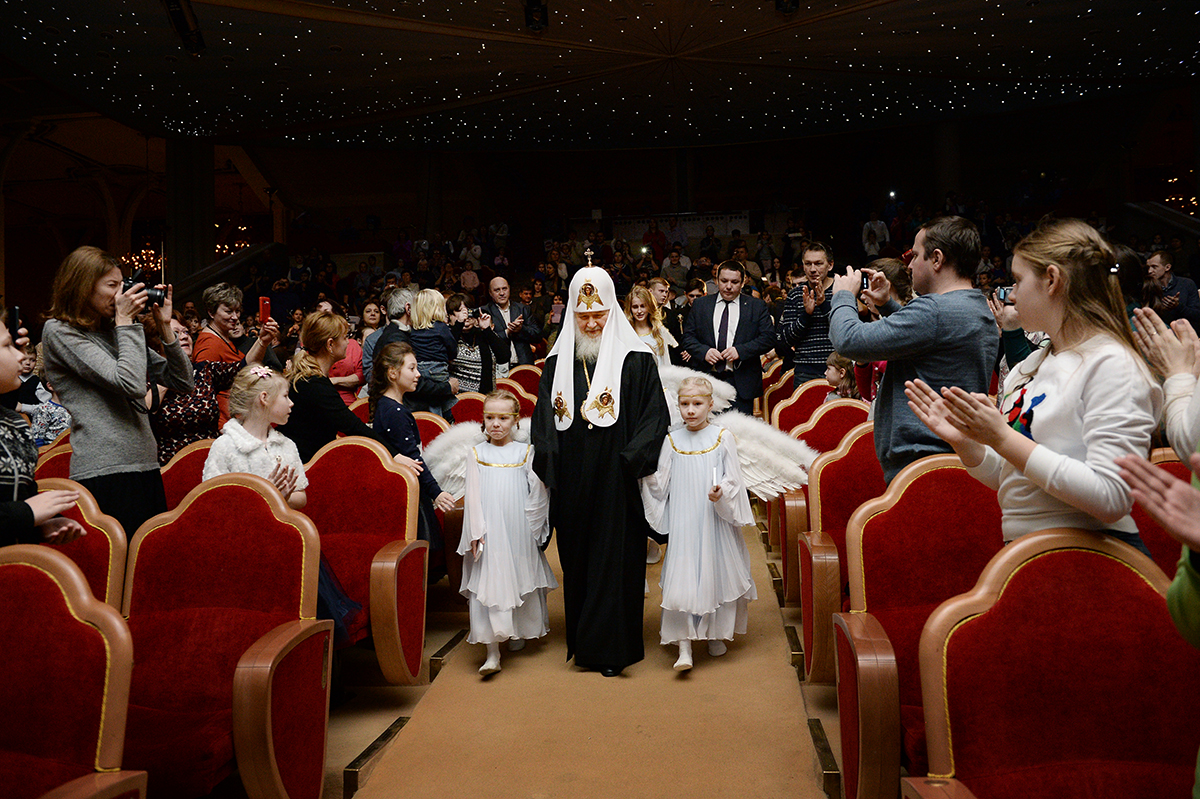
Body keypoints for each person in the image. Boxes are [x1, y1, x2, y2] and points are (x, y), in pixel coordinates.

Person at [905, 219, 1160, 552]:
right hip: (1028, 553)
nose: (1011, 294)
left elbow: (1111, 497)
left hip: (1094, 557)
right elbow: (1015, 481)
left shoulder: (1112, 363)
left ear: (1051, 280)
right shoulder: (1030, 365)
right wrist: (968, 443)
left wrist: (1001, 437)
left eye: (1018, 280)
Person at [531, 266, 670, 677]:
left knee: (615, 560)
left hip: (617, 477)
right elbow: (543, 421)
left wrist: (629, 461)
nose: (591, 324)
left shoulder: (637, 359)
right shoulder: (556, 363)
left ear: (613, 311)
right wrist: (551, 462)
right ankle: (584, 643)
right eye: (583, 316)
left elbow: (654, 418)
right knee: (577, 559)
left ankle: (612, 651)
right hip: (572, 478)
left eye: (599, 315)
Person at [203, 364, 365, 644]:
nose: (291, 403)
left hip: (285, 540)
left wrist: (283, 496)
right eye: (286, 397)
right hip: (241, 546)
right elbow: (211, 504)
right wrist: (265, 493)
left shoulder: (286, 445)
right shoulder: (226, 447)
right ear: (264, 399)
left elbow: (301, 497)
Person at [828, 216, 997, 483]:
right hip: (949, 457)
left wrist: (843, 296)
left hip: (921, 463)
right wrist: (887, 305)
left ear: (937, 259)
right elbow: (929, 338)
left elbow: (849, 341)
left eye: (915, 255)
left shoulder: (935, 310)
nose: (909, 265)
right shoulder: (975, 305)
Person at [42, 246, 194, 535]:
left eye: (122, 284)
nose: (121, 293)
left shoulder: (115, 331)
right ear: (84, 286)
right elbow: (131, 384)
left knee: (145, 558)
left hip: (145, 463)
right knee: (118, 558)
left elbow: (184, 381)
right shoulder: (60, 331)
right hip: (105, 469)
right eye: (112, 285)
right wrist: (126, 323)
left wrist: (165, 327)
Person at [640, 376, 755, 671]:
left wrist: (721, 493)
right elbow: (660, 483)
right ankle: (685, 646)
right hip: (684, 520)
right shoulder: (672, 440)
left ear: (710, 404)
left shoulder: (722, 437)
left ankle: (715, 633)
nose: (690, 410)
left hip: (714, 517)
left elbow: (733, 479)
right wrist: (642, 473)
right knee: (685, 576)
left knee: (715, 572)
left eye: (697, 404)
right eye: (684, 404)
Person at [458, 390, 557, 675]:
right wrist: (475, 532)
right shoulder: (477, 453)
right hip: (489, 530)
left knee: (518, 576)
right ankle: (492, 652)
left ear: (515, 420)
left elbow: (537, 493)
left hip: (518, 526)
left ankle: (517, 629)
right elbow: (472, 497)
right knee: (491, 582)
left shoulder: (525, 452)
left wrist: (535, 527)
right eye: (490, 417)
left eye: (503, 418)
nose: (496, 424)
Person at [0, 311, 85, 548]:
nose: (21, 356)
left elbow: (19, 497)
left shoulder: (15, 423)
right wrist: (26, 514)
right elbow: (20, 510)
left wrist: (38, 525)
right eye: (7, 346)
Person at [149, 313, 278, 465]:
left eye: (185, 332)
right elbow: (144, 412)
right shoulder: (148, 377)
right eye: (175, 333)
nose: (184, 336)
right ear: (157, 343)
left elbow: (243, 367)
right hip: (172, 467)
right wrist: (171, 374)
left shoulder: (204, 370)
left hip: (214, 461)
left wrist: (262, 341)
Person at [277, 311, 395, 462]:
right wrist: (395, 456)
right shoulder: (315, 384)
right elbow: (352, 427)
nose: (348, 343)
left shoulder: (309, 378)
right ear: (330, 344)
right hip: (306, 467)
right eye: (345, 337)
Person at [369, 342, 456, 545]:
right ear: (392, 373)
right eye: (412, 368)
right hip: (408, 492)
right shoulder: (395, 412)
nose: (418, 374)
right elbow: (413, 458)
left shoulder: (387, 405)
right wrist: (436, 492)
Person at [681, 261, 776, 415]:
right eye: (724, 281)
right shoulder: (701, 305)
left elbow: (768, 338)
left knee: (739, 429)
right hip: (707, 380)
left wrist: (740, 351)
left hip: (741, 382)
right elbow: (688, 338)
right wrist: (705, 352)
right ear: (717, 280)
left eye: (734, 282)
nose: (728, 286)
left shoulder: (756, 306)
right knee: (707, 428)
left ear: (743, 282)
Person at [777, 242, 837, 386]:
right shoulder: (795, 295)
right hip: (805, 371)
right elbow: (786, 339)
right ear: (803, 266)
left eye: (818, 264)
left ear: (830, 265)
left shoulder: (841, 290)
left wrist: (824, 306)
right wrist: (806, 315)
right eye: (808, 264)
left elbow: (847, 331)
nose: (813, 269)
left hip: (838, 369)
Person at [192, 282, 246, 426]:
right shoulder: (209, 344)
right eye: (228, 311)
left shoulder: (223, 337)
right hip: (224, 424)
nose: (235, 317)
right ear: (211, 313)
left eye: (237, 311)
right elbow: (204, 392)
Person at [409, 289, 458, 420]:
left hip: (418, 370)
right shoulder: (441, 327)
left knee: (429, 400)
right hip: (438, 369)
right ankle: (440, 425)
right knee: (440, 402)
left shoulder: (411, 330)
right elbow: (453, 350)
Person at [447, 293, 507, 394]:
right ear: (449, 316)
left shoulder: (483, 334)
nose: (466, 315)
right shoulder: (447, 335)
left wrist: (487, 330)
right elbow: (446, 353)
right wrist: (458, 325)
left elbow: (504, 357)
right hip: (458, 398)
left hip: (486, 397)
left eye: (468, 310)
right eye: (459, 311)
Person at [483, 276, 541, 376]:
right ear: (490, 293)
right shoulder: (484, 311)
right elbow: (484, 340)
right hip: (498, 368)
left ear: (509, 289)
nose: (502, 293)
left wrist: (521, 329)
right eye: (497, 290)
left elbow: (538, 335)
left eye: (504, 289)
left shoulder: (522, 309)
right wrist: (507, 332)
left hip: (523, 365)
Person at [624, 285, 675, 369]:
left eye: (643, 306)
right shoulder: (626, 332)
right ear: (630, 309)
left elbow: (666, 362)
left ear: (649, 306)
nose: (639, 311)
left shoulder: (659, 330)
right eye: (635, 307)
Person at [1148, 249, 1200, 330]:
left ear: (1167, 267)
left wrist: (1178, 306)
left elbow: (1197, 315)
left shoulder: (1186, 284)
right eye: (1148, 267)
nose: (1149, 271)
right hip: (1161, 331)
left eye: (1154, 267)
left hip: (1186, 331)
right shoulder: (1149, 287)